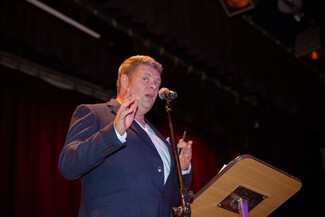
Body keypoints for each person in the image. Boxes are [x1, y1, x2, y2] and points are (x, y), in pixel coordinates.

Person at [58, 55, 193, 217]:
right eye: (146, 79)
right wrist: (114, 131)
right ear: (124, 81)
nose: (153, 87)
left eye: (157, 83)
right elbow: (69, 165)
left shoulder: (159, 138)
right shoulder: (96, 113)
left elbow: (171, 200)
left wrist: (182, 171)